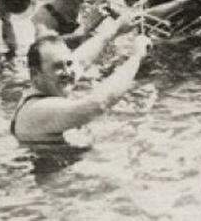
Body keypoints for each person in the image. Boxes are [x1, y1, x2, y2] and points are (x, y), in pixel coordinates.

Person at [10, 27, 151, 145]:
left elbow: (81, 61)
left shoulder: (46, 86)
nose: (69, 72)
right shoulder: (37, 110)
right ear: (36, 74)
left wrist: (117, 27)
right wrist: (136, 57)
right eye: (58, 66)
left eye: (69, 64)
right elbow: (97, 105)